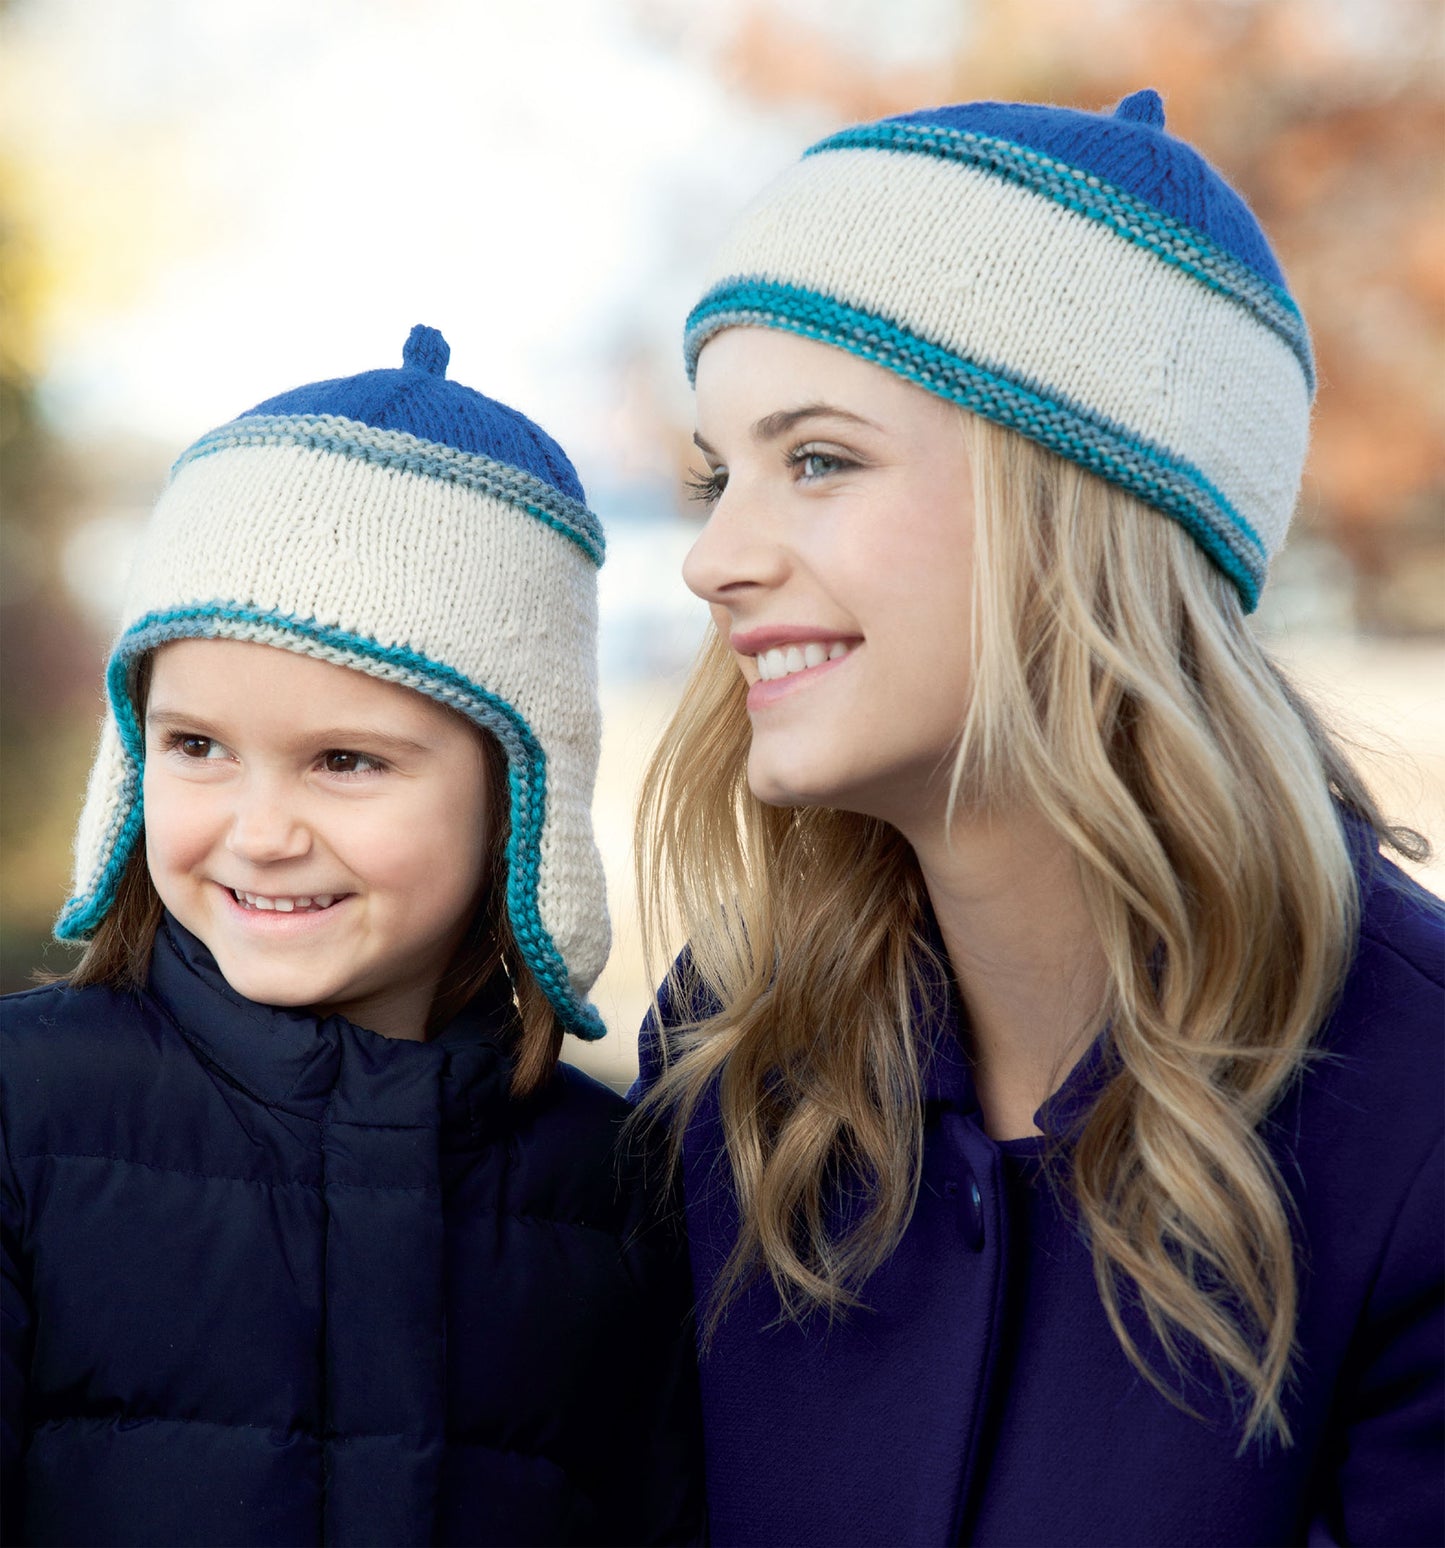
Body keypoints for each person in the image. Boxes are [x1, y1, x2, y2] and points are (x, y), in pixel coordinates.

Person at [632, 91, 1444, 1545]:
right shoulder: (731, 1060)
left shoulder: (1418, 1106)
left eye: (815, 459)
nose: (712, 558)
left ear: (1080, 501)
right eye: (716, 473)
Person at [1, 325, 702, 1546]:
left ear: (515, 801)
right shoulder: (28, 1113)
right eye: (197, 746)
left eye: (345, 761)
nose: (260, 831)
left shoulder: (623, 1190)